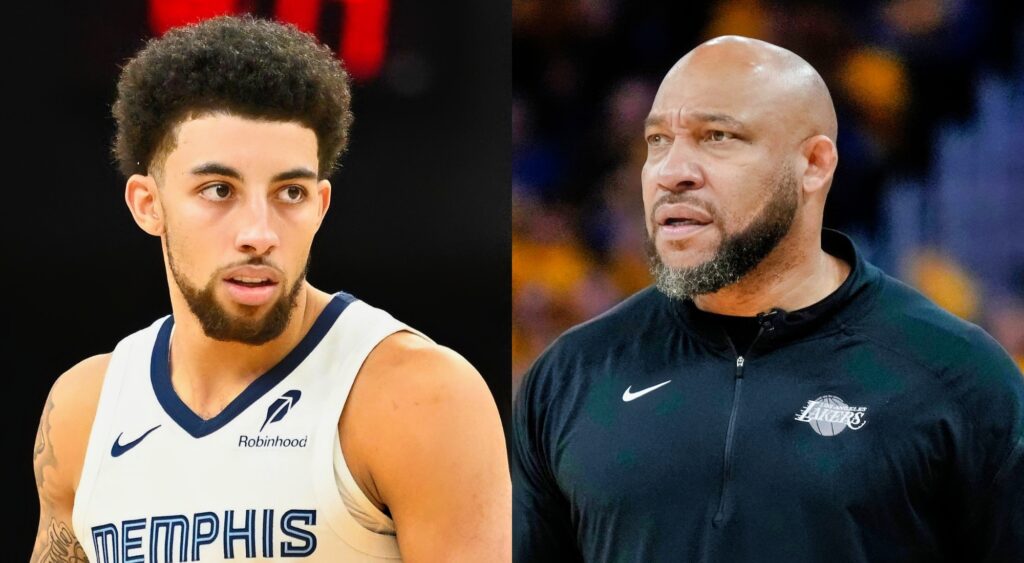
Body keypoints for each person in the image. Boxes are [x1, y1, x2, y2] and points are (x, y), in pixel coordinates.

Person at [513, 35, 1024, 562]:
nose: (671, 172)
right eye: (658, 141)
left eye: (716, 136)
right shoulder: (570, 375)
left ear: (814, 164)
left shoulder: (959, 378)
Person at [32, 15, 510, 562]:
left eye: (290, 193)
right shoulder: (83, 409)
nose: (258, 233)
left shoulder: (417, 396)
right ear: (149, 204)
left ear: (321, 206)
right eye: (218, 190)